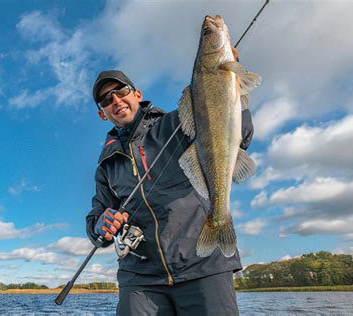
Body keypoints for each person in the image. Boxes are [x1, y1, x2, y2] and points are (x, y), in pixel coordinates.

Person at [86, 49, 254, 315]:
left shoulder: (178, 123)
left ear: (137, 94)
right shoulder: (106, 165)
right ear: (102, 114)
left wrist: (228, 79)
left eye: (121, 91)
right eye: (106, 99)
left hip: (202, 264)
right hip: (140, 277)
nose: (115, 100)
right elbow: (96, 222)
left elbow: (239, 135)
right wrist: (100, 225)